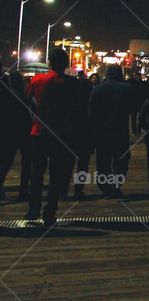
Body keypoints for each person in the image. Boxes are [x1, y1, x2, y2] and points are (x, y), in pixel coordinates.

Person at [25, 48, 83, 225]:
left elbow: (28, 101)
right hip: (63, 133)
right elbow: (77, 110)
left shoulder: (37, 80)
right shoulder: (73, 84)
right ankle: (50, 211)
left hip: (39, 131)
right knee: (56, 174)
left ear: (50, 62)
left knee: (36, 172)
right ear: (66, 64)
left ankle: (33, 208)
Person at [88, 65, 136, 198]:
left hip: (101, 132)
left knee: (103, 161)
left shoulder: (97, 89)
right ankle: (116, 185)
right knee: (121, 160)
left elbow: (91, 112)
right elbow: (133, 108)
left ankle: (105, 187)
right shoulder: (126, 88)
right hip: (120, 131)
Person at [0, 64, 31, 200]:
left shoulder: (8, 94)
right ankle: (23, 190)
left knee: (6, 160)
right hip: (22, 131)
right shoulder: (22, 96)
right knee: (26, 162)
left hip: (9, 131)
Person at [63, 71, 94, 199]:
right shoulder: (89, 105)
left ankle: (62, 190)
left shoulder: (69, 103)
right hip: (85, 136)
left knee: (66, 164)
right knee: (83, 165)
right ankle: (78, 190)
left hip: (69, 135)